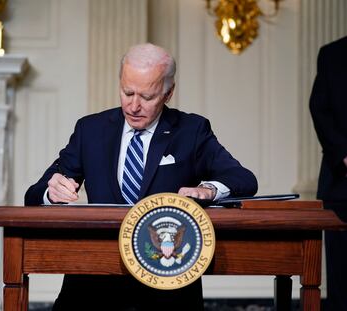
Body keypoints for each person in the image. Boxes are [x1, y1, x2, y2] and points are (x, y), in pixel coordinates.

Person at [25, 43, 258, 310]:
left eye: (147, 97)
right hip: (93, 282)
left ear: (168, 93)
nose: (134, 106)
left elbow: (244, 178)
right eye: (127, 93)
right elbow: (33, 194)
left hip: (167, 284)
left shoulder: (191, 131)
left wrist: (208, 190)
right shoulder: (91, 130)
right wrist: (50, 192)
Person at [309, 36, 347, 311]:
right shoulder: (333, 53)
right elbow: (319, 109)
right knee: (342, 275)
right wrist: (343, 154)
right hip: (342, 184)